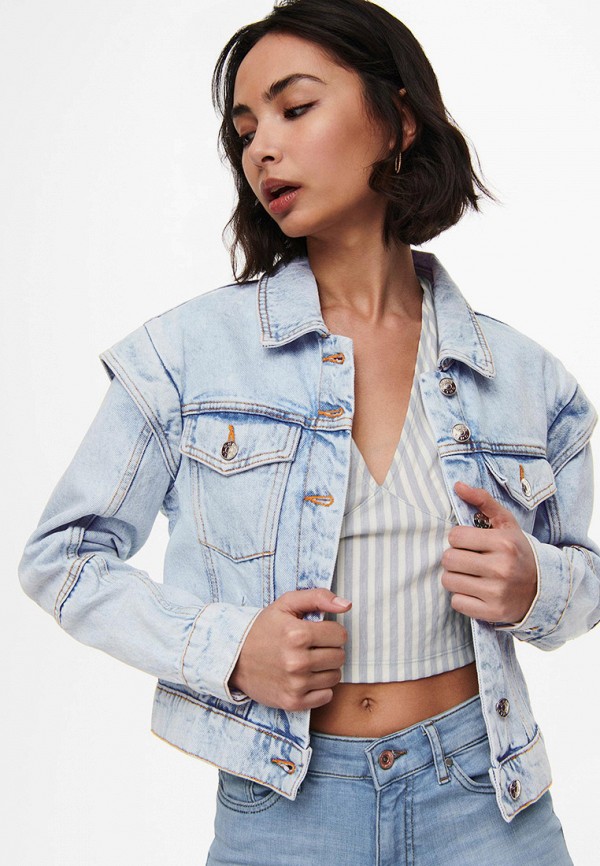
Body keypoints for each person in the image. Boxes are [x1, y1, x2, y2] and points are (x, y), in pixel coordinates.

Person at [18, 0, 599, 863]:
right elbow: (62, 558)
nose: (262, 148)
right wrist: (229, 647)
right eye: (245, 130)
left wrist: (533, 585)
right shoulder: (187, 355)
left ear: (398, 120)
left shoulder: (525, 376)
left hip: (485, 802)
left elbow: (585, 579)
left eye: (295, 108)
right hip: (286, 812)